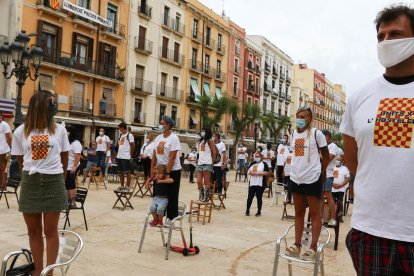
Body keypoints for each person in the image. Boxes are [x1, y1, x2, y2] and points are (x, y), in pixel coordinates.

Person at [341, 5, 414, 274]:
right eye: (380, 36)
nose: (386, 42)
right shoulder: (360, 98)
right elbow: (353, 160)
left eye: (395, 34)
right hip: (370, 230)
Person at [11, 90, 70, 276]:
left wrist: (60, 180)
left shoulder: (59, 129)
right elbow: (20, 160)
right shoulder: (20, 131)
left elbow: (65, 157)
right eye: (50, 103)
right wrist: (30, 175)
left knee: (51, 231)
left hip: (54, 181)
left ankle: (49, 272)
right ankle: (38, 271)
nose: (53, 106)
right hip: (30, 181)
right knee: (33, 232)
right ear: (39, 106)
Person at [285, 106, 329, 261]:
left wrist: (321, 172)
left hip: (312, 178)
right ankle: (297, 245)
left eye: (302, 116)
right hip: (296, 177)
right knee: (298, 213)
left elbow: (326, 155)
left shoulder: (317, 134)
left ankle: (312, 247)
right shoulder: (294, 134)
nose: (299, 118)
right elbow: (299, 154)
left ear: (309, 119)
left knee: (315, 214)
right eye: (297, 115)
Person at [151, 116, 181, 227]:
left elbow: (172, 157)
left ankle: (171, 218)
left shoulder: (174, 138)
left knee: (172, 195)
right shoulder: (158, 138)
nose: (160, 125)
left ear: (167, 125)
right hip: (159, 170)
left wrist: (167, 173)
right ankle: (158, 219)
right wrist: (152, 172)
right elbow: (154, 156)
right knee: (159, 194)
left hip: (172, 170)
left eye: (162, 123)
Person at [321, 129, 340, 227]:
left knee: (328, 196)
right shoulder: (323, 147)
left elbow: (328, 157)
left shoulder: (333, 146)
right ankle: (321, 217)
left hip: (328, 175)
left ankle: (333, 219)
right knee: (320, 197)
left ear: (328, 137)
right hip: (320, 174)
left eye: (324, 137)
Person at [245, 152, 269, 217]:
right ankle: (247, 210)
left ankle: (259, 211)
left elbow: (267, 173)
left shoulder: (264, 164)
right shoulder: (252, 163)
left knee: (259, 197)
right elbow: (248, 171)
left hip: (260, 183)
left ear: (261, 157)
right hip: (252, 183)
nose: (257, 158)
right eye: (256, 156)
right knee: (250, 196)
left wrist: (258, 173)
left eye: (258, 156)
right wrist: (251, 173)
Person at [196, 127, 217, 202]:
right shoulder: (200, 141)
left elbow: (214, 152)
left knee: (206, 181)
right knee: (198, 181)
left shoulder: (210, 141)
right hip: (200, 163)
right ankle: (202, 195)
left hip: (207, 163)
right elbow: (199, 152)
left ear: (207, 132)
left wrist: (212, 162)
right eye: (201, 131)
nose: (202, 132)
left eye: (204, 131)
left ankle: (206, 197)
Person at [116, 122, 135, 192]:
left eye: (120, 128)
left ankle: (127, 186)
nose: (119, 129)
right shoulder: (121, 135)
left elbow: (133, 145)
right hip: (119, 156)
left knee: (127, 172)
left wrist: (130, 154)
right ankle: (122, 186)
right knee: (120, 172)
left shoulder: (129, 135)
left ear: (123, 128)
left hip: (126, 156)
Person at [65, 125, 82, 205]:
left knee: (71, 184)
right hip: (67, 166)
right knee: (66, 183)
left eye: (67, 131)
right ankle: (67, 200)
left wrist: (74, 167)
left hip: (73, 166)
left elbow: (78, 155)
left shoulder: (76, 143)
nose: (66, 133)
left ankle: (73, 202)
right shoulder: (68, 142)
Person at [0, 111, 11, 191]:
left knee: (4, 169)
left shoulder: (5, 125)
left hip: (4, 151)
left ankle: (4, 186)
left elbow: (9, 138)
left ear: (1, 117)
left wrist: (11, 148)